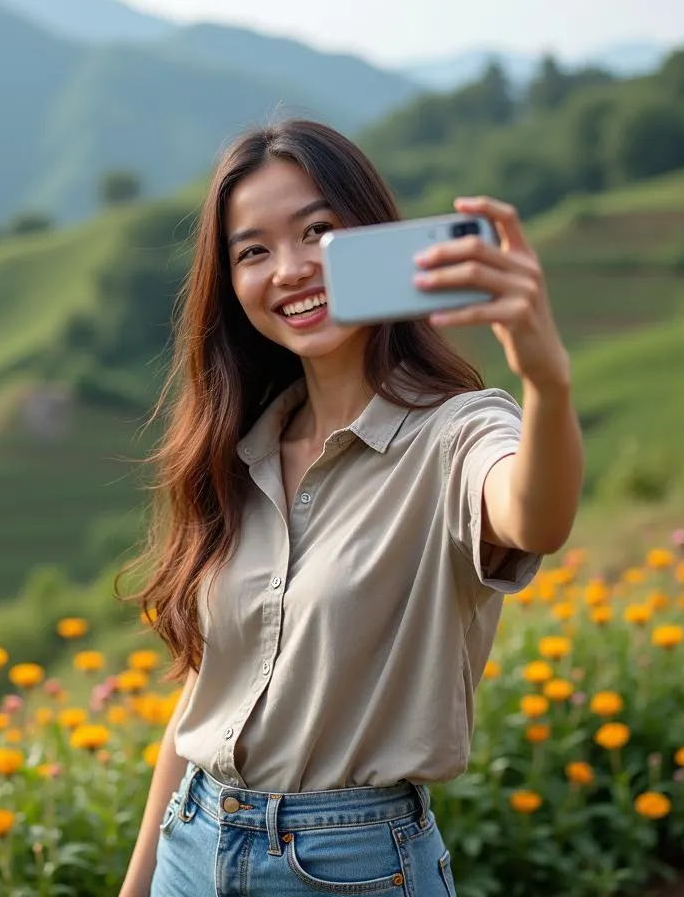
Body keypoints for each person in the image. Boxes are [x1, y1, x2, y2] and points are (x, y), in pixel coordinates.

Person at [117, 119, 583, 897]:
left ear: (377, 241)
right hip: (191, 845)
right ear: (228, 285)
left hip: (350, 868)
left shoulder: (456, 433)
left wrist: (547, 381)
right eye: (254, 251)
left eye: (320, 232)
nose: (293, 270)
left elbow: (534, 517)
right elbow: (206, 695)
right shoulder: (239, 450)